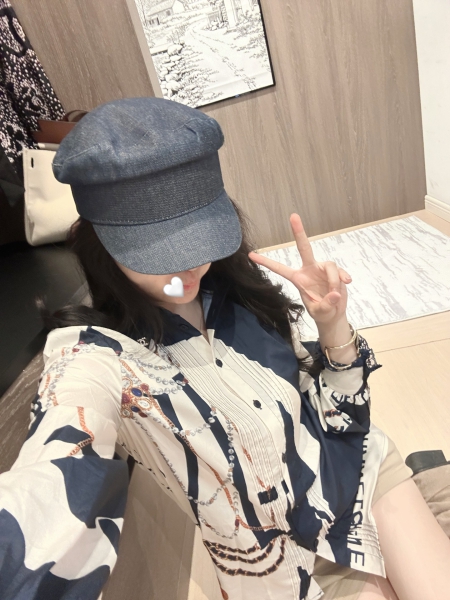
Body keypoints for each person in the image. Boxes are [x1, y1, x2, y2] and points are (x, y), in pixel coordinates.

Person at [0, 97, 449, 600]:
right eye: (161, 249)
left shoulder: (243, 296)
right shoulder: (101, 356)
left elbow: (345, 419)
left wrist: (333, 328)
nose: (190, 267)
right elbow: (55, 460)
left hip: (360, 476)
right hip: (280, 564)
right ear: (102, 242)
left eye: (200, 239)